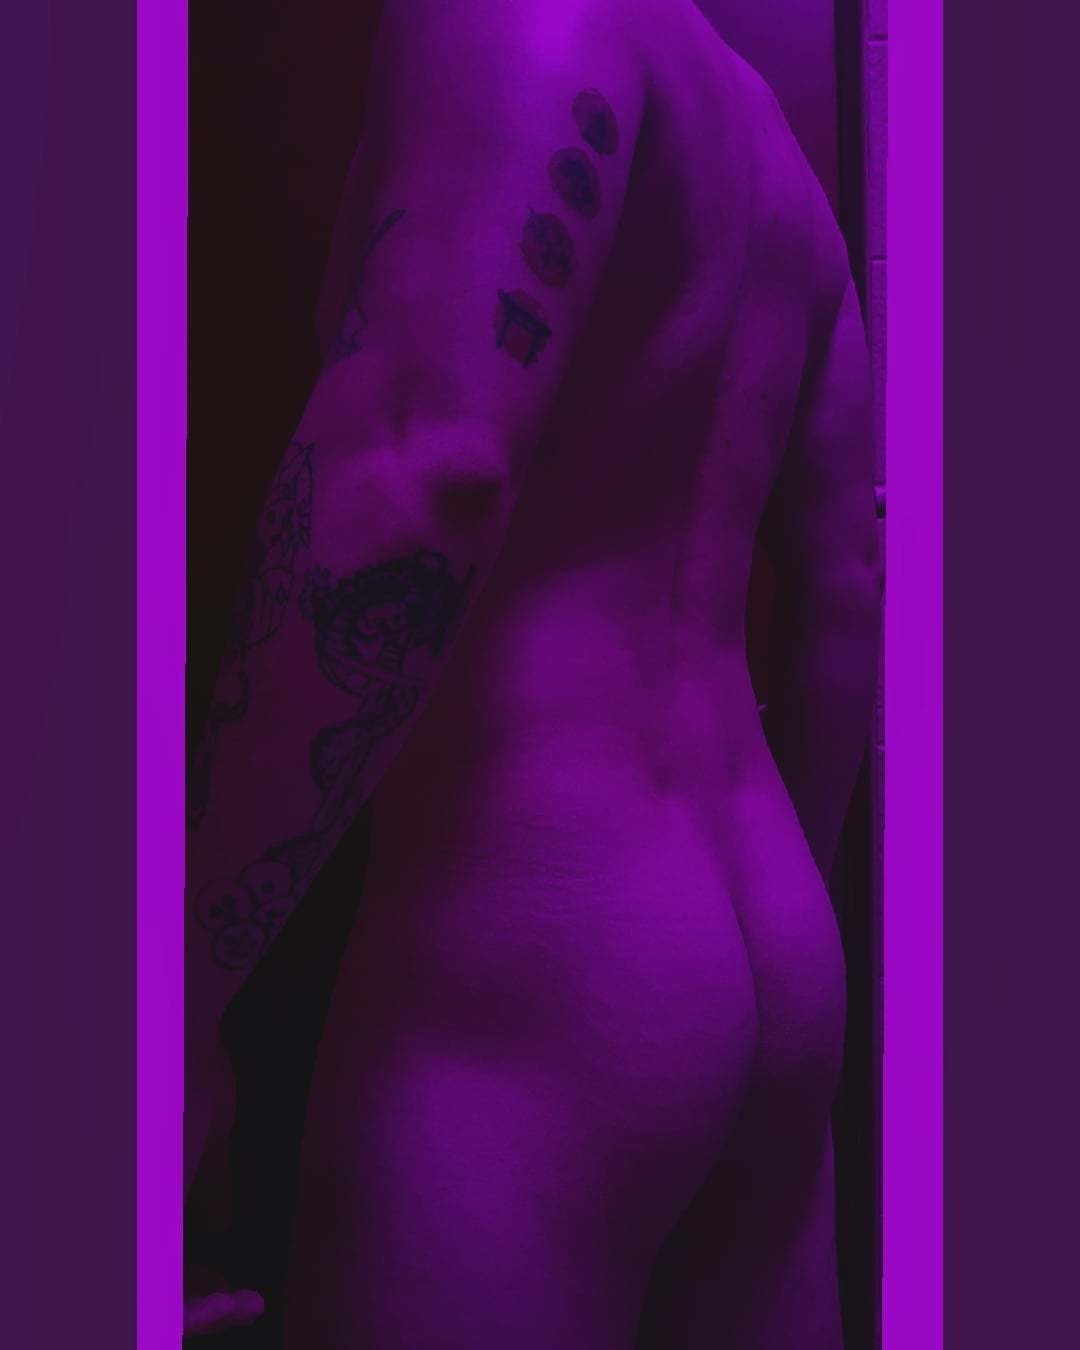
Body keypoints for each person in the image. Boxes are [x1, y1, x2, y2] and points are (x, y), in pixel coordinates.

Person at [184, 0, 882, 1344]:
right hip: (776, 932)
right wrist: (733, 970)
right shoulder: (781, 168)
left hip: (539, 944)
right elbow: (846, 585)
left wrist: (179, 977)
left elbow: (421, 471)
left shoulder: (518, 15)